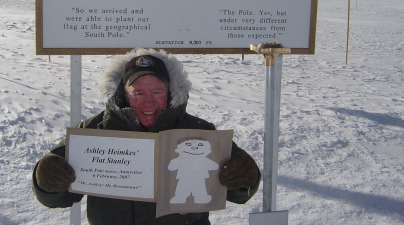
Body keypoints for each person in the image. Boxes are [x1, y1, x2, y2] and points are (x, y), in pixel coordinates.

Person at [32, 48, 261, 225]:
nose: (148, 102)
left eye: (157, 92)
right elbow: (58, 197)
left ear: (171, 91)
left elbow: (239, 194)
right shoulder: (94, 131)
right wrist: (46, 178)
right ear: (124, 94)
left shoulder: (200, 132)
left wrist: (246, 177)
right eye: (138, 93)